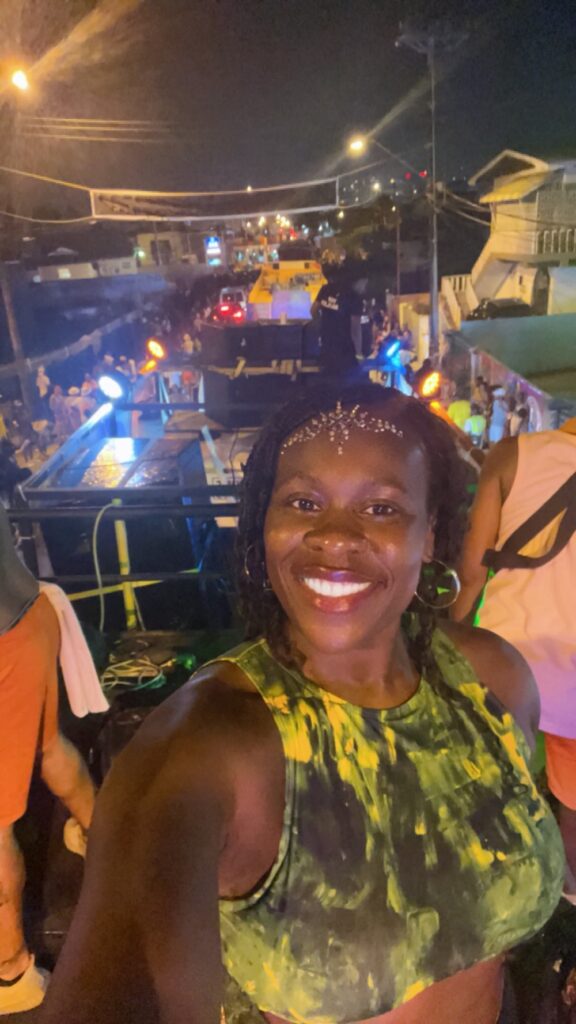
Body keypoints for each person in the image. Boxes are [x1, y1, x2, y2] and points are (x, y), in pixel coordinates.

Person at [40, 383, 564, 1024]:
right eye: (304, 501)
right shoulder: (206, 744)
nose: (335, 536)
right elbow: (122, 973)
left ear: (430, 536)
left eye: (380, 508)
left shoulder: (492, 679)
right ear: (265, 523)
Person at [452, 417, 576, 901]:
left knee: (497, 791)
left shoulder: (511, 454)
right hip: (574, 682)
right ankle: (565, 899)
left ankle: (498, 897)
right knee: (571, 806)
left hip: (505, 666)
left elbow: (472, 570)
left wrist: (450, 646)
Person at [0, 505, 96, 1014]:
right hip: (26, 614)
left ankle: (11, 972)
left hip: (4, 642)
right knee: (47, 746)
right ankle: (102, 837)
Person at [312, 266, 362, 375]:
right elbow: (355, 329)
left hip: (326, 345)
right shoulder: (354, 297)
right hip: (344, 348)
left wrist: (318, 325)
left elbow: (313, 310)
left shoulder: (326, 289)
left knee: (327, 378)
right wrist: (359, 354)